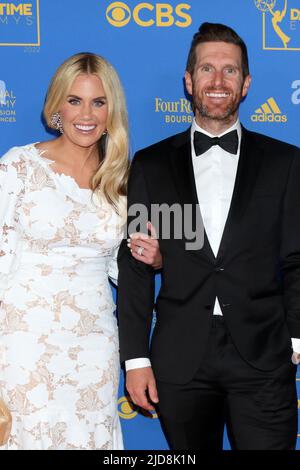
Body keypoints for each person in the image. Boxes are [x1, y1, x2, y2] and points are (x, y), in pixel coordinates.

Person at [118, 23, 300, 450]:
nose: (218, 81)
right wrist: (136, 358)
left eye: (230, 71)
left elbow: (295, 258)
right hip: (182, 360)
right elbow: (138, 266)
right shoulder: (152, 165)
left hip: (264, 356)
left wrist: (297, 336)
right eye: (206, 69)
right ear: (188, 80)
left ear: (246, 83)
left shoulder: (285, 163)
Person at [0, 52, 161, 450]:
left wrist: (156, 260)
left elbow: (120, 267)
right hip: (22, 342)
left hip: (95, 345)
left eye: (98, 102)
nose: (86, 113)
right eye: (74, 100)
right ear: (57, 106)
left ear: (112, 110)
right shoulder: (18, 167)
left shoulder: (123, 180)